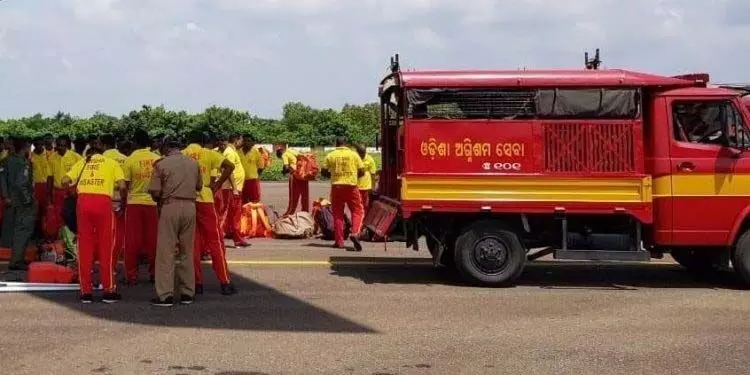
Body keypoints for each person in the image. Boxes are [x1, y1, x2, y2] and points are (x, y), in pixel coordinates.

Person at [62, 138, 126, 304]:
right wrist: (123, 201)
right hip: (103, 204)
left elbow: (64, 181)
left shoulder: (83, 162)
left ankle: (86, 292)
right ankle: (108, 291)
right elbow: (122, 186)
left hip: (83, 203)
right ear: (102, 152)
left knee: (85, 246)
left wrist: (72, 191)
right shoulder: (111, 163)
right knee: (106, 246)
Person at [148, 136, 203, 307]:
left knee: (166, 252)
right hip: (190, 208)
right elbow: (199, 186)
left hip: (170, 207)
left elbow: (155, 192)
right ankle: (187, 293)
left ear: (165, 148)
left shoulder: (161, 164)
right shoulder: (193, 163)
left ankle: (165, 295)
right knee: (187, 251)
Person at [183, 131, 238, 295]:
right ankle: (224, 281)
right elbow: (230, 166)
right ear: (203, 141)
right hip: (206, 198)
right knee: (215, 241)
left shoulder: (183, 154)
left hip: (187, 199)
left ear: (187, 140)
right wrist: (218, 184)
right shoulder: (209, 154)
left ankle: (196, 283)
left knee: (192, 243)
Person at [122, 130, 160, 285]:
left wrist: (125, 201)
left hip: (134, 203)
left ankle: (131, 275)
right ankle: (154, 274)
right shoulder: (158, 159)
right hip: (153, 203)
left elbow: (125, 185)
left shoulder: (130, 160)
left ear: (135, 143)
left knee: (132, 241)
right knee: (153, 240)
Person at [321, 136, 366, 250]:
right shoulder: (353, 154)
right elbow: (362, 171)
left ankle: (339, 242)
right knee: (357, 211)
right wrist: (354, 177)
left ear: (336, 143)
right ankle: (355, 233)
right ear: (346, 144)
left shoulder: (331, 155)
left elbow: (323, 172)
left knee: (337, 214)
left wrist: (334, 175)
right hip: (351, 186)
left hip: (336, 186)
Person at [0, 138, 37, 270]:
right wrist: (28, 200)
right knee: (23, 231)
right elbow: (21, 184)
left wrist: (6, 196)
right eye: (29, 147)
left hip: (13, 199)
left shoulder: (8, 161)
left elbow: (3, 179)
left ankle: (17, 259)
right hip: (23, 202)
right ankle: (16, 261)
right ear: (25, 148)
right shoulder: (24, 163)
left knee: (16, 230)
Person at [216, 133, 250, 248]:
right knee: (229, 215)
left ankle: (237, 238)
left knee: (234, 215)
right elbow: (228, 170)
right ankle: (220, 239)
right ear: (236, 140)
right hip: (231, 189)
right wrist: (235, 188)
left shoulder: (233, 151)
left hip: (234, 189)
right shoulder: (230, 152)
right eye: (241, 140)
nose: (242, 142)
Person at [100, 134, 128, 264]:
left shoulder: (101, 159)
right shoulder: (125, 158)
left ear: (103, 145)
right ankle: (118, 256)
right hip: (121, 197)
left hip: (105, 198)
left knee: (105, 230)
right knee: (120, 231)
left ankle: (106, 258)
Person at [48, 135, 83, 226]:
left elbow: (82, 173)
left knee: (71, 214)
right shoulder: (52, 158)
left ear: (67, 145)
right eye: (59, 145)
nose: (60, 148)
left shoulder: (76, 157)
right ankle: (62, 236)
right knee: (58, 214)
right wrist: (49, 195)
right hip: (57, 191)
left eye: (63, 145)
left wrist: (77, 189)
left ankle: (72, 234)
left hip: (71, 190)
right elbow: (50, 177)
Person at [276, 146, 309, 215]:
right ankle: (305, 213)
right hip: (303, 174)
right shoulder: (292, 150)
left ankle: (289, 213)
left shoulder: (285, 155)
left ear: (280, 153)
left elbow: (286, 167)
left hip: (295, 176)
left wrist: (283, 172)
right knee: (305, 195)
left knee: (294, 196)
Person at [30, 138, 52, 235]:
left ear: (43, 144)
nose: (39, 146)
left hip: (46, 185)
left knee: (46, 210)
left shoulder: (49, 154)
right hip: (35, 186)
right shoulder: (30, 155)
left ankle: (47, 230)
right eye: (36, 144)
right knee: (35, 210)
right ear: (34, 145)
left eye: (40, 144)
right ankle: (36, 231)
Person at [355, 145, 377, 216]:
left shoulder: (370, 159)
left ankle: (364, 218)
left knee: (365, 204)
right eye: (361, 153)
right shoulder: (354, 158)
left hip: (366, 186)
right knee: (357, 204)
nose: (362, 155)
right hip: (355, 185)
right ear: (357, 152)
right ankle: (358, 218)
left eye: (363, 153)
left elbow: (373, 174)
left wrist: (373, 187)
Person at [239, 135, 263, 204]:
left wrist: (255, 176)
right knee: (242, 201)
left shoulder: (256, 152)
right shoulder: (237, 151)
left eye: (249, 141)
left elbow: (261, 167)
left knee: (254, 201)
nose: (246, 143)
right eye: (245, 141)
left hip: (252, 181)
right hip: (240, 181)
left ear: (252, 142)